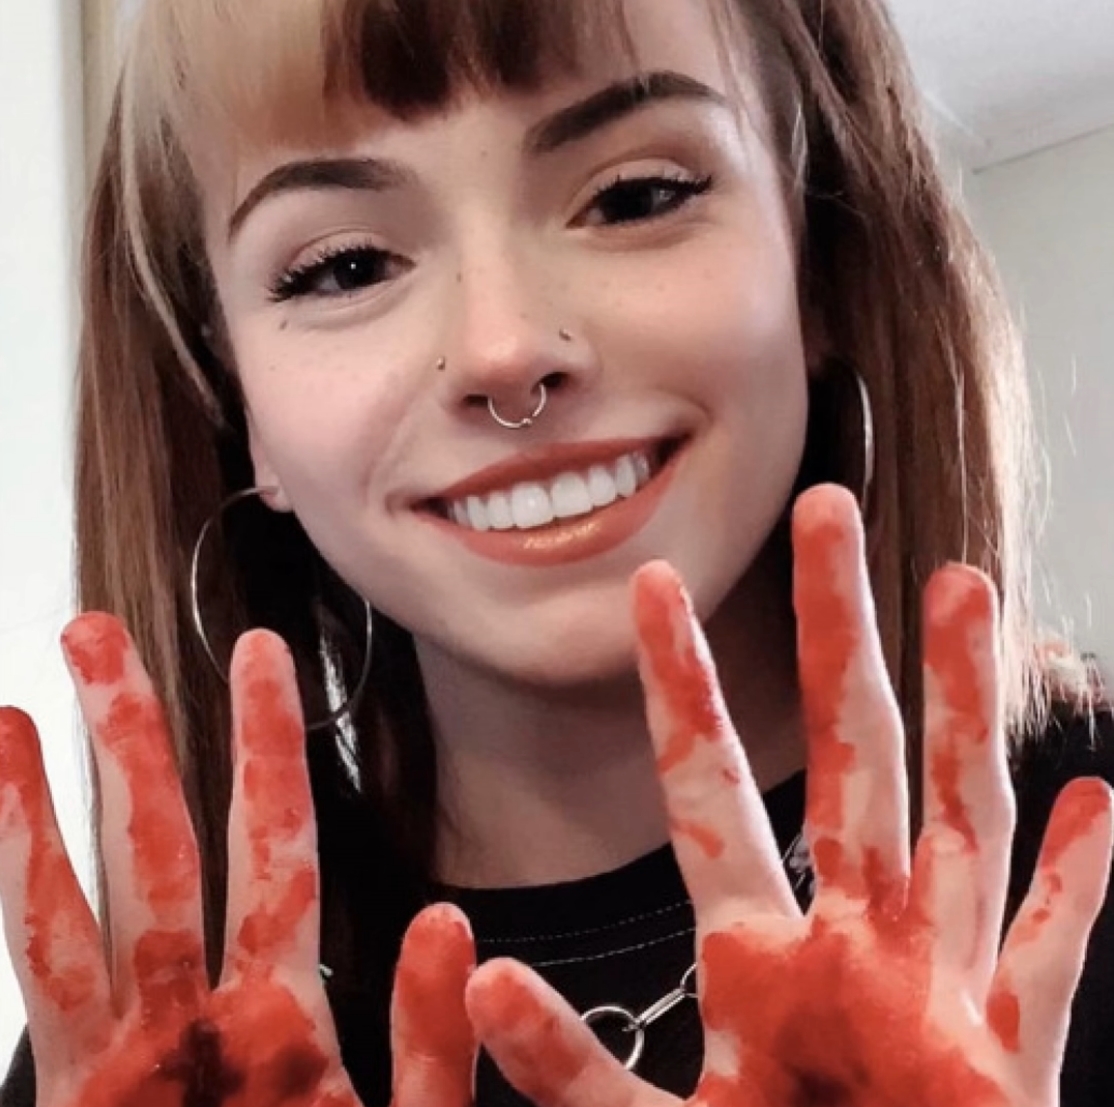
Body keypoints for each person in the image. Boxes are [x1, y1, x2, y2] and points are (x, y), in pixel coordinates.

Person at [1, 0, 1111, 1104]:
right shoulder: (169, 1053)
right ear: (235, 399)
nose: (506, 349)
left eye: (635, 197)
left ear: (818, 261)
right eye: (345, 268)